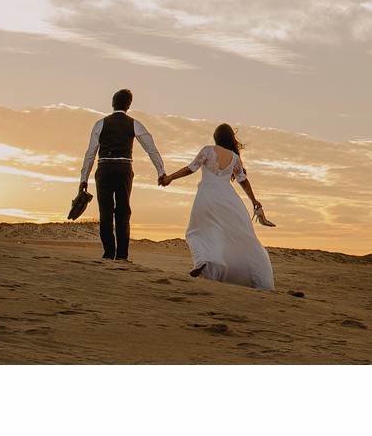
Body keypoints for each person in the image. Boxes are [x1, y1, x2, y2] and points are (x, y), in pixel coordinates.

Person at [161, 124, 275, 291]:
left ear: (216, 137)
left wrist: (170, 178)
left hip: (207, 197)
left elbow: (191, 168)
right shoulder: (235, 157)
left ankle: (205, 262)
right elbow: (243, 180)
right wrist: (254, 201)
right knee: (234, 236)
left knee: (196, 232)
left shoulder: (208, 150)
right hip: (229, 200)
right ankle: (237, 270)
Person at [79, 88, 167, 261]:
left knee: (105, 210)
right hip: (124, 169)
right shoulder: (135, 124)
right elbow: (151, 149)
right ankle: (122, 255)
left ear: (113, 103)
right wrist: (161, 172)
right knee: (123, 211)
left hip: (104, 168)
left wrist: (83, 179)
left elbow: (90, 153)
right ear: (128, 106)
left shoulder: (100, 123)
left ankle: (108, 252)